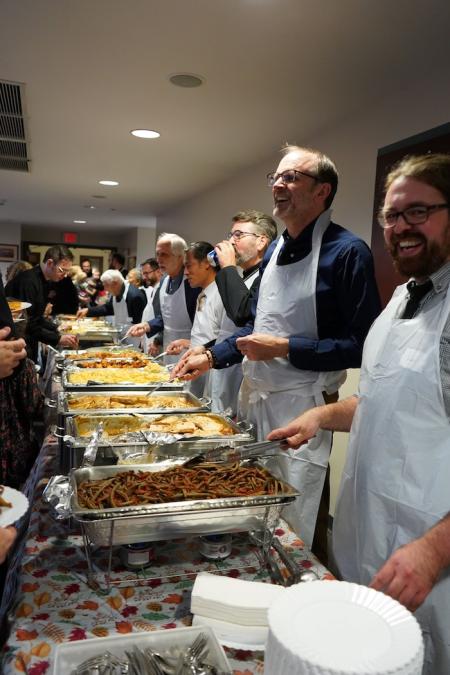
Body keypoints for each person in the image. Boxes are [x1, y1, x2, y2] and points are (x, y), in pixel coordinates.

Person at [268, 153, 450, 674]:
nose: (400, 227)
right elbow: (380, 400)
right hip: (368, 533)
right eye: (391, 216)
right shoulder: (401, 300)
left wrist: (434, 552)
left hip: (429, 556)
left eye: (418, 212)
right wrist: (321, 417)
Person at [172, 145, 381, 562]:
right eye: (276, 177)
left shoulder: (347, 252)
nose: (278, 185)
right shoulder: (274, 252)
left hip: (306, 406)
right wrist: (213, 356)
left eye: (291, 177)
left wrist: (287, 347)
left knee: (296, 519)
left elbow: (364, 345)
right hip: (258, 399)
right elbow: (254, 325)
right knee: (253, 507)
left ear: (322, 191)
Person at [208, 210, 277, 415]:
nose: (231, 241)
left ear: (261, 241)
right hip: (226, 361)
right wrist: (205, 348)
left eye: (239, 235)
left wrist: (228, 266)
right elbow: (226, 326)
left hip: (246, 370)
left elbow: (242, 316)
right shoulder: (243, 276)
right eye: (231, 235)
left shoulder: (265, 277)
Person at [126, 234, 200, 364]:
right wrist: (147, 325)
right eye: (158, 254)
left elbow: (202, 326)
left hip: (191, 352)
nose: (159, 259)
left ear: (180, 256)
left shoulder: (192, 283)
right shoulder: (164, 281)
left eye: (164, 255)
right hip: (168, 348)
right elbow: (166, 316)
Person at [168, 241, 226, 397]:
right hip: (197, 369)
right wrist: (188, 343)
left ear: (207, 263)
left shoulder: (221, 295)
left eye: (189, 266)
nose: (186, 272)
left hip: (213, 371)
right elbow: (209, 333)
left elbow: (226, 339)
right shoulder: (202, 293)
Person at [5, 245, 78, 362]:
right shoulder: (28, 281)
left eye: (67, 271)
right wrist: (57, 339)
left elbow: (37, 317)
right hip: (16, 344)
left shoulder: (44, 281)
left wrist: (56, 328)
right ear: (50, 263)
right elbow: (28, 323)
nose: (64, 275)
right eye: (62, 270)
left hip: (27, 341)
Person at [77, 269, 147, 346]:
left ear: (115, 283)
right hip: (122, 336)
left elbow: (142, 322)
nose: (105, 289)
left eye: (106, 285)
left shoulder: (135, 296)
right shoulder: (116, 292)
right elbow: (108, 308)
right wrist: (88, 311)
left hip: (135, 339)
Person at [139, 258, 162, 354]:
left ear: (158, 271)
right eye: (143, 274)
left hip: (156, 344)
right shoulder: (153, 290)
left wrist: (157, 340)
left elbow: (162, 319)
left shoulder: (161, 290)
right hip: (149, 341)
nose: (144, 277)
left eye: (146, 273)